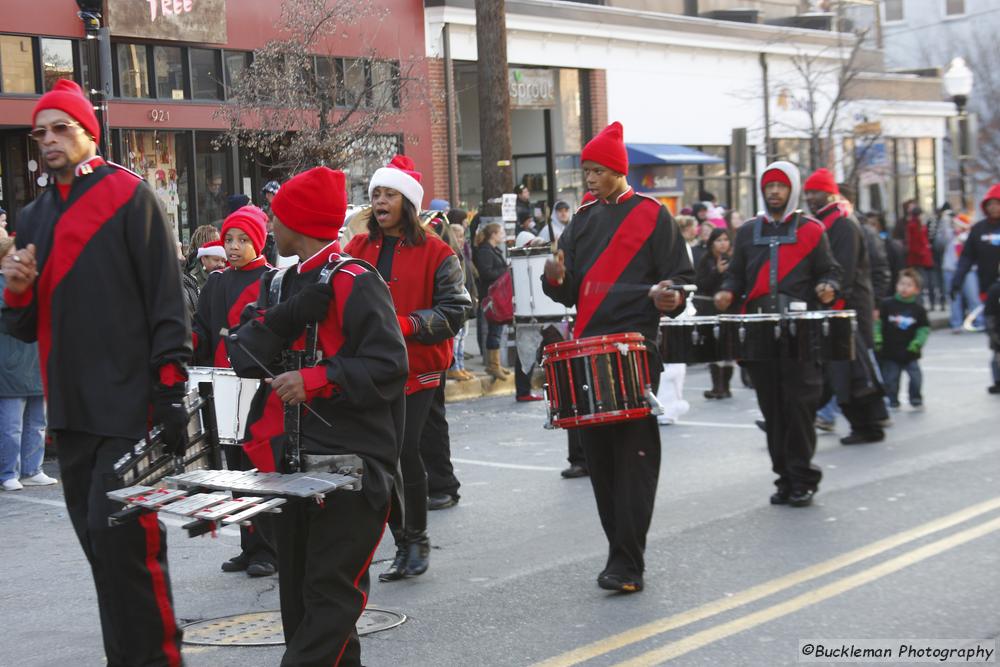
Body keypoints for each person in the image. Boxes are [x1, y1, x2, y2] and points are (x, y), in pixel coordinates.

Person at [1, 79, 189, 665]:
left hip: (130, 406)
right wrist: (16, 289)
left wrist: (169, 388)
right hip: (71, 410)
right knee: (101, 555)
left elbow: (167, 299)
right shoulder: (31, 218)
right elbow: (26, 325)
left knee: (127, 546)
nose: (49, 140)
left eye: (62, 128)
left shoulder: (131, 197)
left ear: (89, 133)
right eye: (41, 132)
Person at [233, 165, 408, 666]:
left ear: (300, 223)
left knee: (328, 607)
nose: (270, 221)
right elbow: (243, 355)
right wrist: (288, 314)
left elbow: (389, 365)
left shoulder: (357, 279)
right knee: (304, 614)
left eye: (277, 214)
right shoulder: (278, 282)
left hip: (351, 470)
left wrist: (314, 379)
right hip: (287, 471)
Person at [542, 121, 694, 592]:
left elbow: (679, 280)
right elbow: (566, 295)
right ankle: (619, 553)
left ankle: (629, 562)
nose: (588, 179)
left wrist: (672, 297)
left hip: (633, 349)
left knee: (635, 460)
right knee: (602, 464)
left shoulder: (653, 214)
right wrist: (554, 275)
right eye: (585, 171)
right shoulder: (582, 221)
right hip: (586, 350)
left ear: (617, 171)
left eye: (596, 171)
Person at [343, 155, 470, 581]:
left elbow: (455, 311)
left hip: (419, 368)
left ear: (408, 203)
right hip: (371, 370)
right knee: (378, 458)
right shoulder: (357, 249)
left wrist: (409, 324)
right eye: (376, 193)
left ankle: (415, 540)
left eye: (389, 194)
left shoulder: (438, 251)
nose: (379, 201)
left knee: (404, 452)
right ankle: (400, 540)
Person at [714, 161, 841, 508]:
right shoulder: (747, 231)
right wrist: (727, 291)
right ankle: (784, 477)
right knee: (772, 410)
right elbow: (736, 277)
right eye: (769, 185)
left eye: (781, 186)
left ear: (793, 190)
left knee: (798, 407)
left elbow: (830, 271)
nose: (774, 191)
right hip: (758, 332)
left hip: (799, 332)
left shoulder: (813, 230)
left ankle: (802, 477)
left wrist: (827, 285)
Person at [192, 205, 278, 577]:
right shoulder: (217, 283)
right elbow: (202, 331)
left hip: (258, 387)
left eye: (243, 239)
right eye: (228, 239)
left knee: (260, 467)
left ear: (258, 242)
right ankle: (248, 544)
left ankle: (267, 548)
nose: (233, 246)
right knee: (235, 469)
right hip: (222, 386)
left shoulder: (272, 280)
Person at [803, 169, 886, 445]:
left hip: (846, 307)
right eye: (808, 193)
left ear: (829, 193)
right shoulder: (829, 222)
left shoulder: (841, 224)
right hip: (840, 306)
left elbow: (844, 271)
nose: (810, 198)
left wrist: (833, 302)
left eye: (815, 192)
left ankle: (867, 424)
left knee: (850, 372)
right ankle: (865, 422)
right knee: (841, 371)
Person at [0, 237, 57, 491]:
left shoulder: (33, 282)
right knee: (11, 425)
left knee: (37, 422)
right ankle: (7, 472)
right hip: (10, 364)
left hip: (35, 361)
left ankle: (33, 468)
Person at [875, 269, 930, 408]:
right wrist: (877, 338)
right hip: (890, 350)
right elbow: (878, 323)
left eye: (909, 285)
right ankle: (892, 398)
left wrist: (917, 343)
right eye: (902, 284)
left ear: (916, 289)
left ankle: (915, 397)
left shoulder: (918, 309)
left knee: (916, 377)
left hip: (910, 351)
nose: (904, 288)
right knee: (891, 379)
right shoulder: (887, 305)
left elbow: (923, 329)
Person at [694, 227, 733, 398]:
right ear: (712, 243)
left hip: (729, 309)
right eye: (719, 240)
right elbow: (701, 284)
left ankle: (726, 387)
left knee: (728, 348)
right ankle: (717, 386)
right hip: (709, 308)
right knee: (713, 347)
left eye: (725, 239)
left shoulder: (734, 259)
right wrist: (717, 272)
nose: (723, 244)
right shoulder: (706, 260)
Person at [951, 184, 1000, 309]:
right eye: (990, 204)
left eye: (997, 203)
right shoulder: (978, 229)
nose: (993, 208)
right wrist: (957, 280)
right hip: (987, 286)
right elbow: (967, 257)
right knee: (991, 323)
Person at [473, 221, 511, 379]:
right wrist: (505, 270)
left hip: (496, 296)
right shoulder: (485, 251)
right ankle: (493, 365)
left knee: (497, 330)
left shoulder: (493, 250)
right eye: (501, 233)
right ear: (493, 235)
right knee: (494, 331)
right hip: (490, 296)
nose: (503, 235)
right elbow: (486, 273)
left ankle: (495, 364)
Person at [446, 215, 476, 382]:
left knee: (463, 336)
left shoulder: (463, 254)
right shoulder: (451, 254)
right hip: (458, 299)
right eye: (457, 236)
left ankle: (461, 366)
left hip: (467, 298)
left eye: (462, 236)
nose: (461, 239)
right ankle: (454, 367)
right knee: (456, 336)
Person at [905, 205, 934, 304]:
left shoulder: (919, 225)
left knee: (921, 281)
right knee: (920, 281)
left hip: (920, 258)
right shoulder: (914, 226)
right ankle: (918, 301)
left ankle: (920, 301)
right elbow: (914, 243)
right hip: (918, 258)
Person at [984, 271, 1000, 394]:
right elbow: (989, 313)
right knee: (996, 357)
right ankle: (998, 381)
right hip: (997, 330)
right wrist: (992, 332)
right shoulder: (995, 289)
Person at [261, 180, 281, 265]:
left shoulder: (281, 205)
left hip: (277, 238)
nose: (267, 195)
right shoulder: (266, 206)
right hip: (267, 237)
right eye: (266, 193)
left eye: (270, 193)